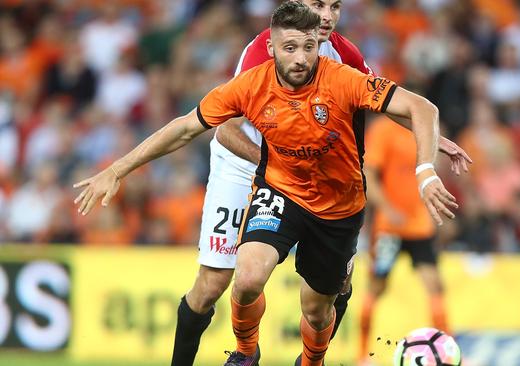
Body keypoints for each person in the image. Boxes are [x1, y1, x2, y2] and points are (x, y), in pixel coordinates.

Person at [73, 2, 460, 365]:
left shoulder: (345, 65)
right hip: (256, 166)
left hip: (333, 193)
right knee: (227, 279)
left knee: (322, 301)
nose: (326, 16)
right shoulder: (256, 67)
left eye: (334, 6)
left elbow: (408, 105)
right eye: (317, 5)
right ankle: (244, 354)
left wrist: (426, 145)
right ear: (276, 44)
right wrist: (117, 169)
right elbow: (200, 128)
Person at [358, 115, 450, 364]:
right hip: (390, 227)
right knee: (377, 287)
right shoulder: (383, 130)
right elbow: (370, 173)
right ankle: (363, 355)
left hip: (420, 225)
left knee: (434, 284)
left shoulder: (424, 127)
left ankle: (447, 350)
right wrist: (386, 209)